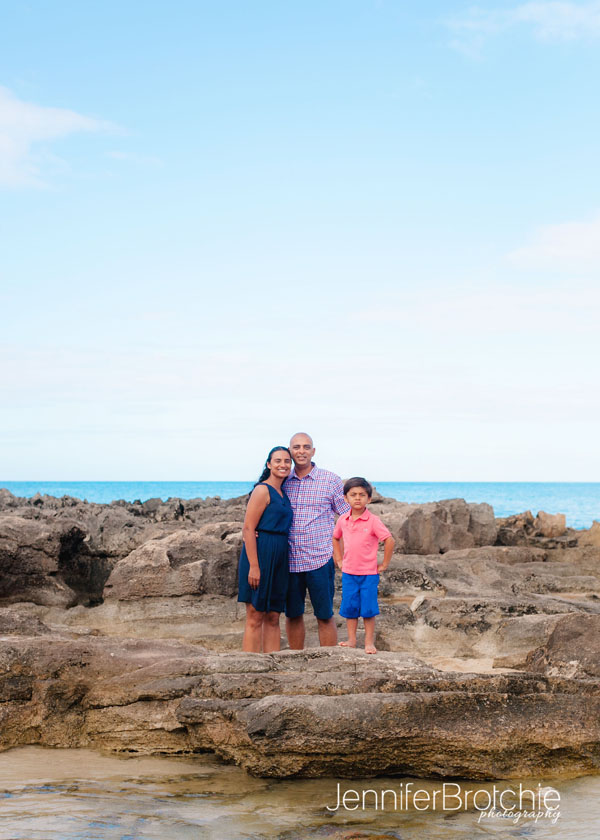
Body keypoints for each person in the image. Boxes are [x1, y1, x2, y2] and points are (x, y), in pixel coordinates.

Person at [284, 432, 349, 649]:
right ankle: (295, 658)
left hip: (320, 559)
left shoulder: (330, 480)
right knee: (293, 614)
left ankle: (329, 660)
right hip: (290, 560)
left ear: (313, 451)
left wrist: (342, 553)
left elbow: (347, 516)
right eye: (296, 447)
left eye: (306, 446)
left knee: (324, 614)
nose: (301, 451)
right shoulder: (283, 482)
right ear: (290, 451)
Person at [237, 446, 293, 653]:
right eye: (278, 461)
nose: (283, 465)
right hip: (260, 554)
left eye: (287, 461)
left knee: (273, 615)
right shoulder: (263, 490)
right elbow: (249, 528)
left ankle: (273, 662)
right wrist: (254, 566)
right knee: (255, 614)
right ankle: (249, 664)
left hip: (280, 555)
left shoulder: (283, 492)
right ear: (269, 464)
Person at [332, 477, 395, 654]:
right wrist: (338, 559)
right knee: (350, 608)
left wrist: (384, 564)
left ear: (369, 499)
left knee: (368, 609)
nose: (357, 498)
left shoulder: (373, 520)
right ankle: (352, 640)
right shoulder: (343, 520)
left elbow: (389, 540)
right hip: (349, 573)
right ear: (345, 498)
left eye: (362, 495)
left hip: (369, 574)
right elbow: (335, 537)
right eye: (353, 495)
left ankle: (369, 642)